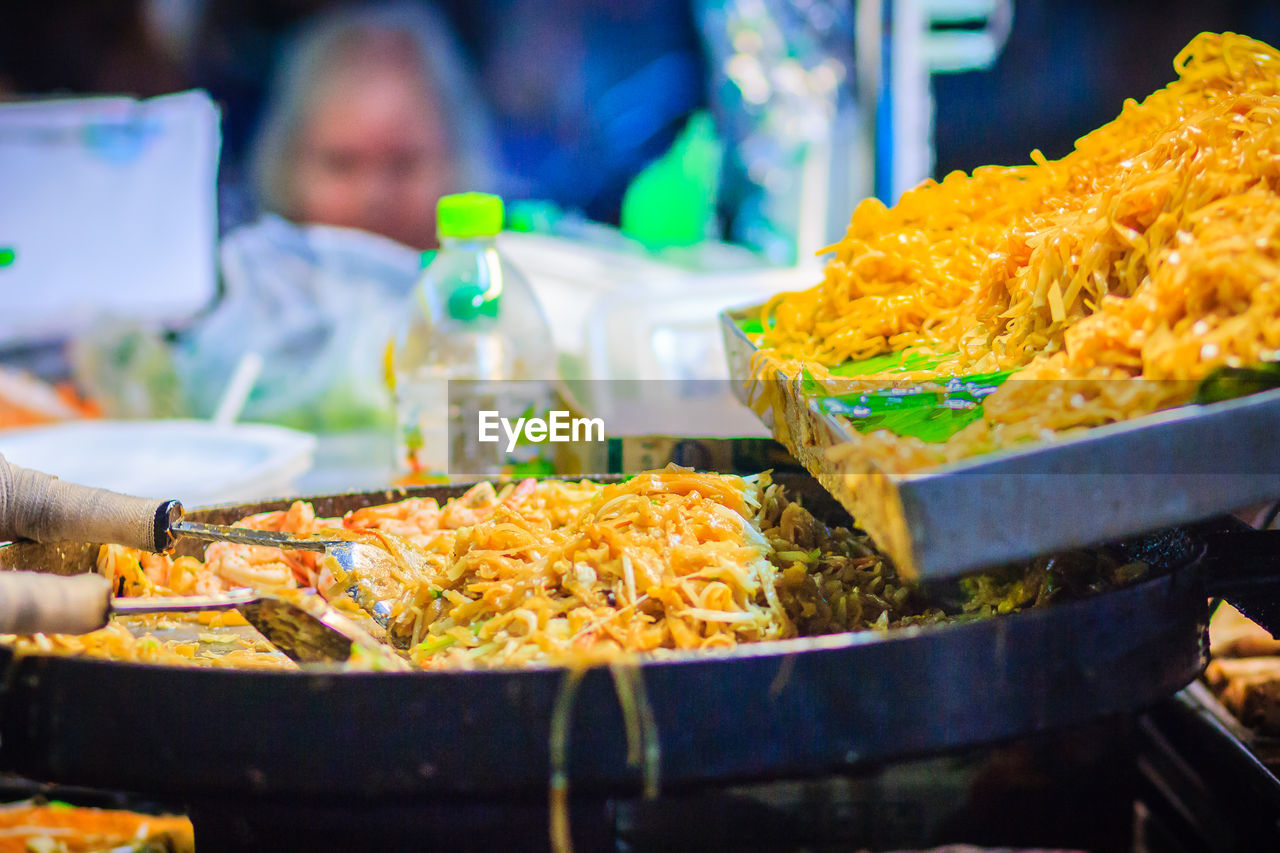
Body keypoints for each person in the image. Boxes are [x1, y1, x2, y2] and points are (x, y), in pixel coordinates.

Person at [249, 2, 497, 250]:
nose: (374, 199)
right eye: (342, 164)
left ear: (458, 161)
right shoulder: (241, 280)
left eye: (403, 164)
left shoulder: (506, 280)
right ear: (287, 166)